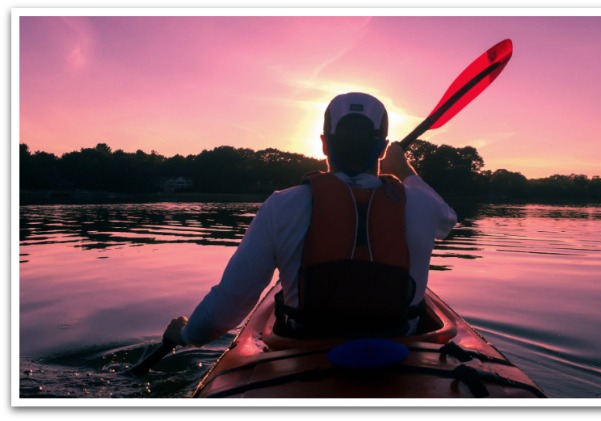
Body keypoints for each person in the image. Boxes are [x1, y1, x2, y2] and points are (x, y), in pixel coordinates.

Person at [163, 92, 457, 346]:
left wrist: (186, 335)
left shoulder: (281, 205)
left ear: (324, 144)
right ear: (381, 148)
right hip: (402, 350)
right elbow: (448, 220)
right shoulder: (422, 204)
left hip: (305, 349)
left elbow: (230, 303)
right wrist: (404, 169)